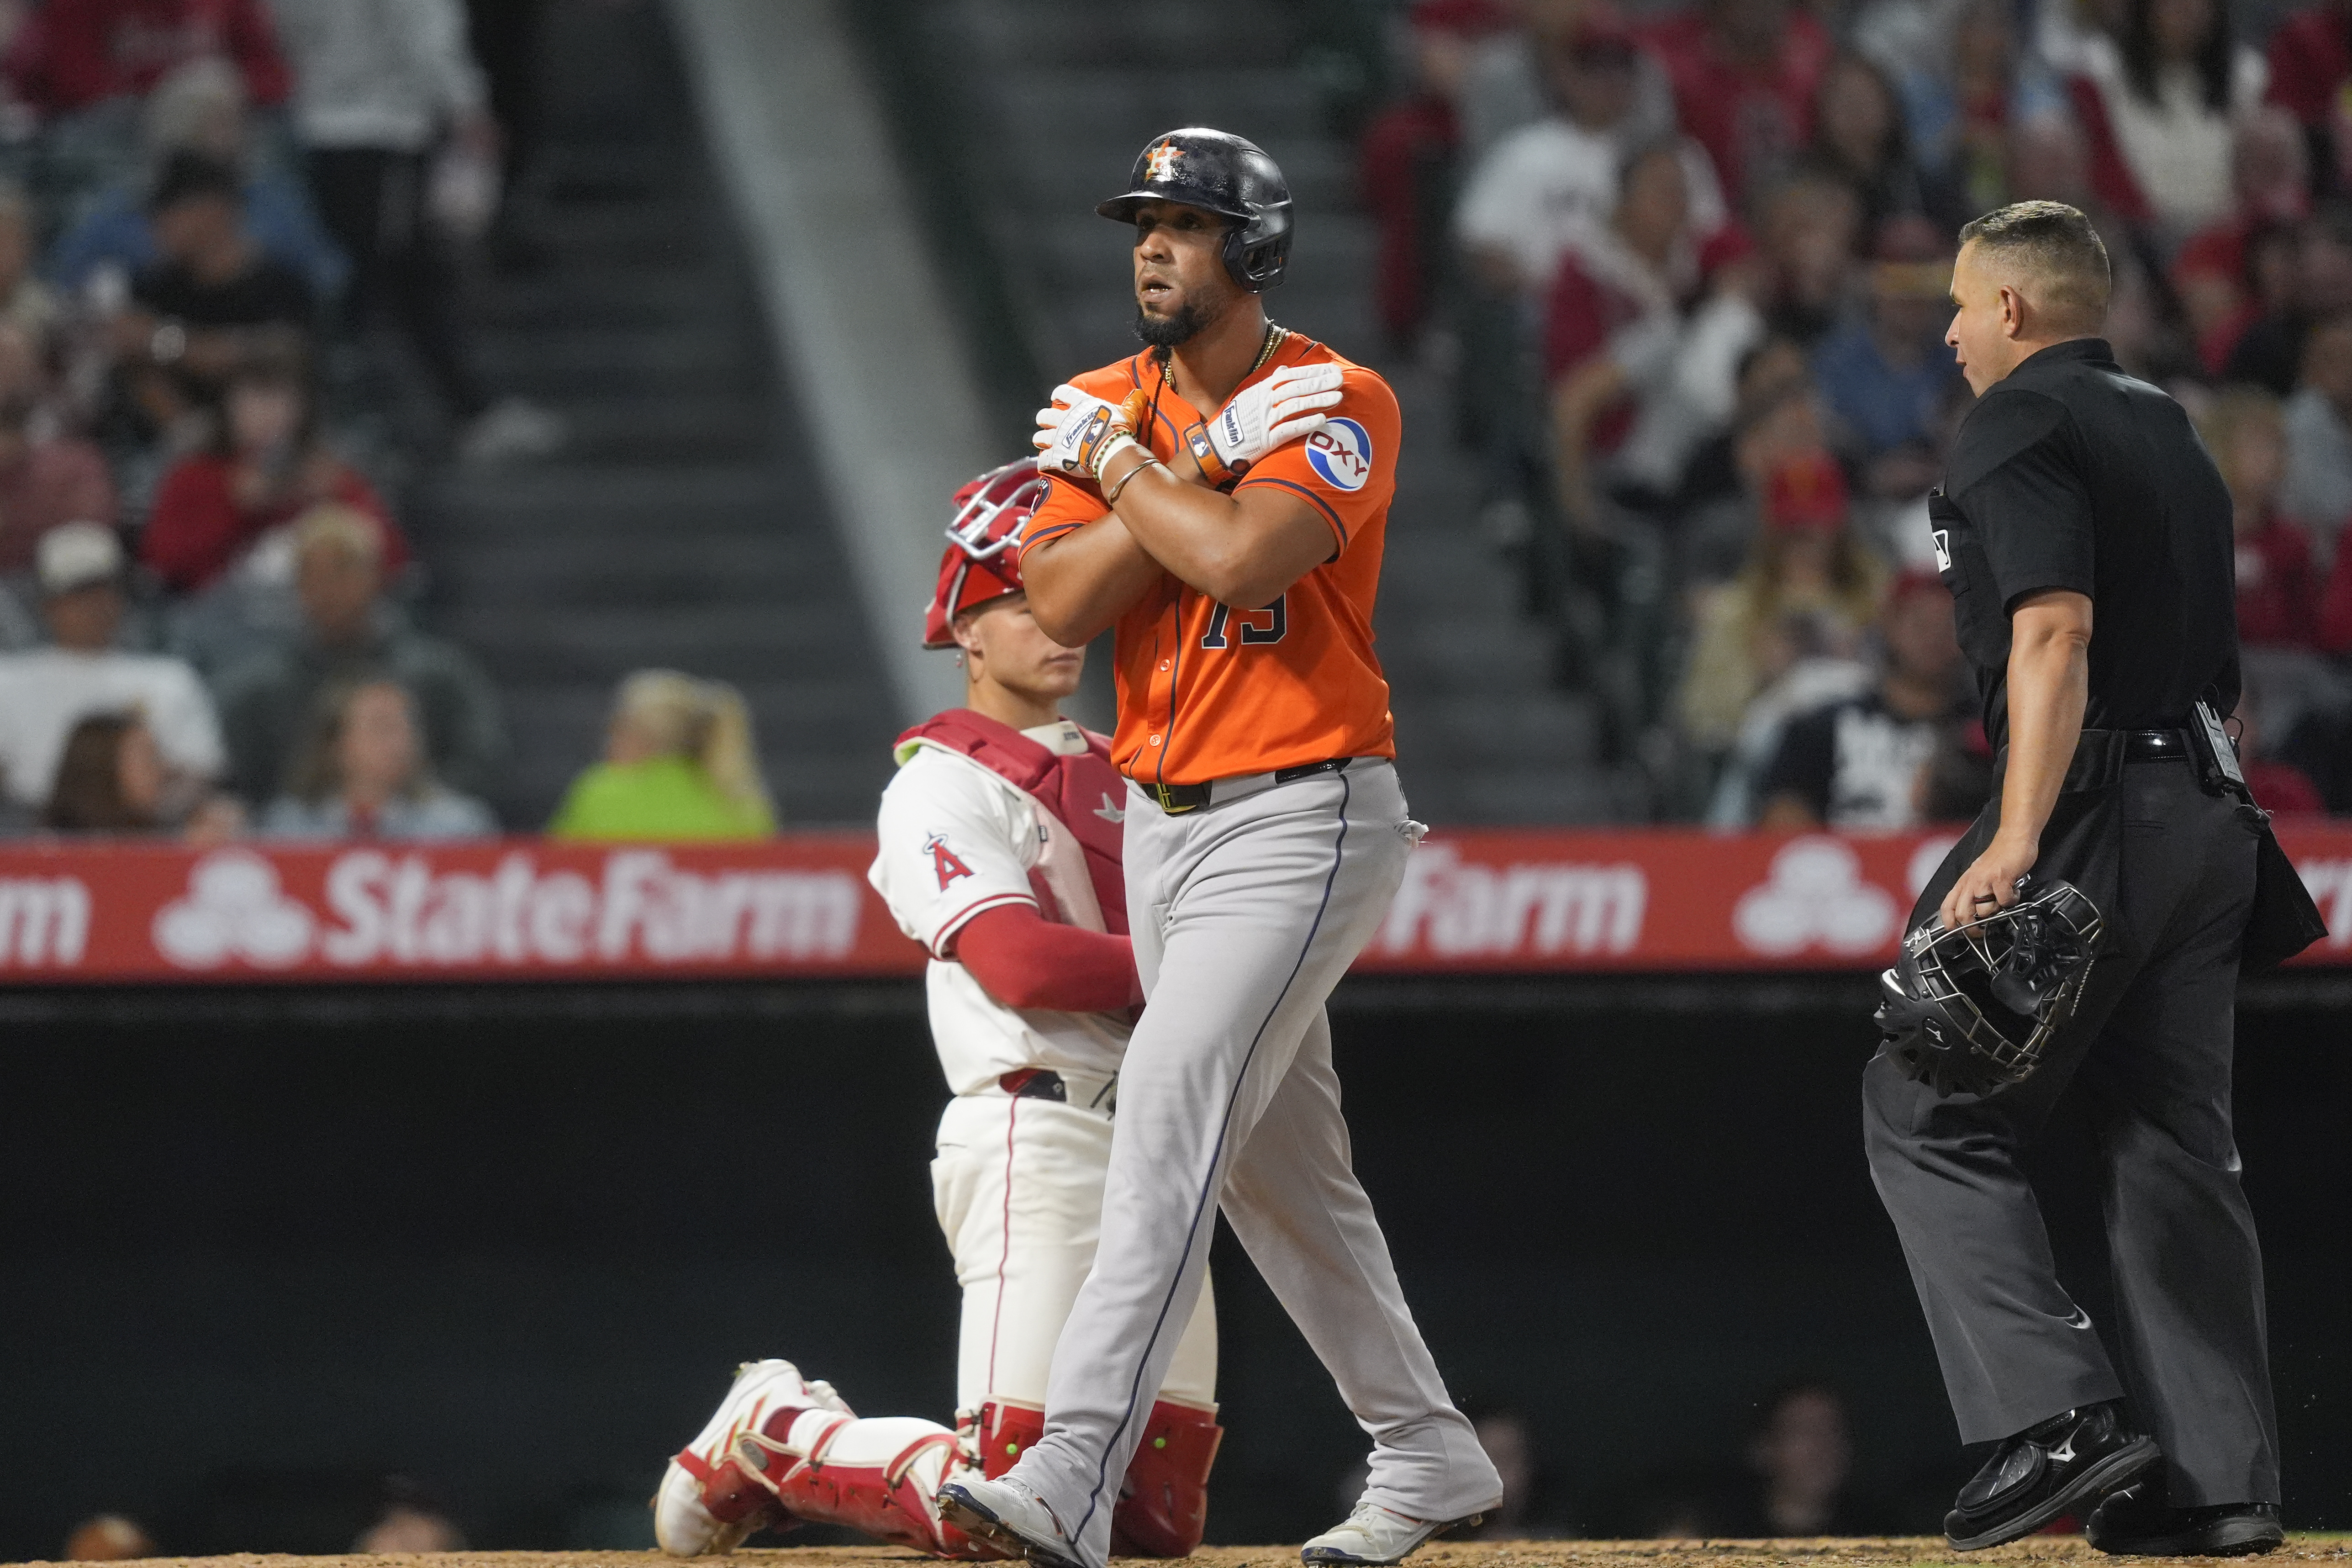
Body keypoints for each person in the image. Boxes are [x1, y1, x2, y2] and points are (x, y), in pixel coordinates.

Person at [934, 127, 1503, 1568]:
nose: (1152, 246)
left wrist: (1139, 474)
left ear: (1250, 249)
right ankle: (1431, 1451)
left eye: (1185, 224)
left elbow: (1253, 558)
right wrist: (1175, 476)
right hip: (1166, 824)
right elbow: (1057, 600)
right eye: (1143, 221)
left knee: (1173, 1113)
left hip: (1303, 806)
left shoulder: (1334, 390)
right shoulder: (1100, 402)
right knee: (1280, 1174)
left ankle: (1071, 1468)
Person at [654, 460, 1220, 1562]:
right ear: (966, 621)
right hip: (1038, 1126)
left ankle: (789, 1440)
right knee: (1004, 1500)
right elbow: (1017, 960)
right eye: (1026, 597)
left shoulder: (1134, 775)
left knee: (1150, 1521)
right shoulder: (936, 781)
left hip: (1166, 1143)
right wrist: (1209, 968)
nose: (1062, 620)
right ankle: (773, 1430)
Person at [1865, 201, 2284, 1556]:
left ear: (2015, 311)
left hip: (2092, 795)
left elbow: (2051, 630)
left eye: (1960, 304)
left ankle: (2053, 1418)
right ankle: (2218, 1486)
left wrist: (2013, 839)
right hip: (2210, 808)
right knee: (2171, 1138)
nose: (1947, 331)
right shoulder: (2171, 428)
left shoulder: (2015, 421)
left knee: (1925, 1099)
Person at [269, 0, 565, 464]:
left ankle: (439, 411)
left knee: (373, 277)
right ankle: (454, 414)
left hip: (321, 126)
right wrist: (466, 104)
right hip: (387, 127)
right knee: (397, 276)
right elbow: (426, 28)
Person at [212, 504, 500, 804]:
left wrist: (413, 800)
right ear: (297, 587)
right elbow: (235, 780)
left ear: (376, 576)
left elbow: (480, 759)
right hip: (295, 836)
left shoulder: (438, 675)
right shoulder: (259, 692)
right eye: (314, 574)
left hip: (419, 831)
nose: (330, 588)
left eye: (343, 569)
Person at [45, 57, 347, 305]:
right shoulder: (125, 207)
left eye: (239, 122)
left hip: (252, 332)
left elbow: (329, 275)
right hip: (150, 340)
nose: (237, 139)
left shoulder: (271, 202)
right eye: (219, 124)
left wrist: (249, 263)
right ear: (175, 132)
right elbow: (67, 280)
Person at [140, 333, 404, 595]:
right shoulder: (195, 476)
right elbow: (163, 564)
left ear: (304, 409)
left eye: (280, 398)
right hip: (212, 622)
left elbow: (391, 561)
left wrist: (332, 501)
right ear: (228, 405)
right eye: (255, 397)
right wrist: (233, 506)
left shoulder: (326, 479)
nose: (267, 413)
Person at [0, 522, 224, 814]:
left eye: (105, 592)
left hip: (140, 830)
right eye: (78, 594)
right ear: (49, 604)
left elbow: (199, 769)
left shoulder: (169, 678)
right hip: (29, 826)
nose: (95, 606)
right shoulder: (9, 679)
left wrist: (152, 816)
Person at [114, 151, 317, 434]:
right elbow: (136, 366)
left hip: (268, 445)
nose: (156, 224)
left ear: (216, 209)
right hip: (181, 446)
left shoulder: (282, 285)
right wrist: (189, 433)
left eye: (170, 210)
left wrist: (158, 340)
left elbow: (267, 361)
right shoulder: (152, 286)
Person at [1759, 568, 1968, 829]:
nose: (1934, 637)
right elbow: (1781, 818)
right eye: (1919, 622)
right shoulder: (1822, 727)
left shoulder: (1985, 733)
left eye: (1949, 623)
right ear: (1888, 624)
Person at [2067, 0, 2267, 238]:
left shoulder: (2249, 76)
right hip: (2134, 235)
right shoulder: (2099, 69)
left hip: (2228, 239)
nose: (2186, 8)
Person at [547, 669, 772, 840]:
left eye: (616, 731)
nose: (608, 743)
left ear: (637, 737)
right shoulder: (742, 803)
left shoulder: (600, 791)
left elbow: (553, 866)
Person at [260, 677, 496, 839]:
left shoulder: (459, 829)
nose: (401, 742)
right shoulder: (288, 829)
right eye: (382, 727)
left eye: (408, 727)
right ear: (337, 744)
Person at [0, 0, 289, 116]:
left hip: (211, 125)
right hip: (116, 134)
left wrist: (223, 94)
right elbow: (75, 83)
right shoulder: (76, 5)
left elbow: (269, 73)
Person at [2201, 387, 2323, 649]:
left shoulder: (2293, 541)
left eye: (2276, 447)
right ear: (2220, 449)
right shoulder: (2195, 534)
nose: (2269, 458)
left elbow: (2308, 626)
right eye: (2256, 446)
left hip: (2286, 665)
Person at [0, 320, 118, 575]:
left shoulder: (71, 428)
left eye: (12, 361)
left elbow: (90, 525)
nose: (5, 375)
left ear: (35, 367)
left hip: (54, 576)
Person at [42, 708, 240, 842]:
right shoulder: (44, 849)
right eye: (150, 758)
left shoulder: (170, 837)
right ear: (102, 769)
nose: (164, 770)